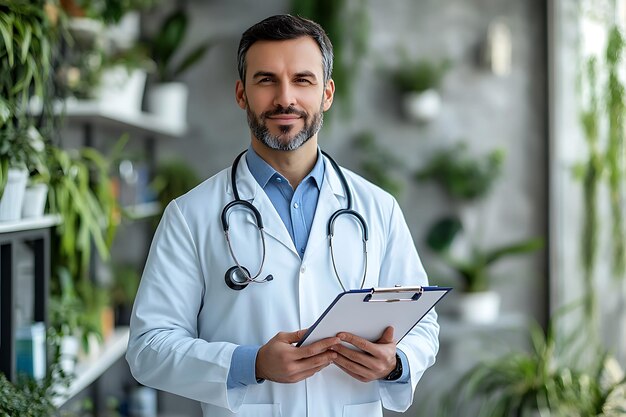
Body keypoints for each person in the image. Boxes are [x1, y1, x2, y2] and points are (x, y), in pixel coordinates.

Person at [126, 14, 439, 417]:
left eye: (302, 80)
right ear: (241, 93)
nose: (285, 98)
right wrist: (250, 364)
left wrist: (397, 364)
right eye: (266, 79)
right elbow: (149, 347)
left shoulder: (378, 208)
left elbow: (423, 323)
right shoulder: (191, 215)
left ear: (326, 93)